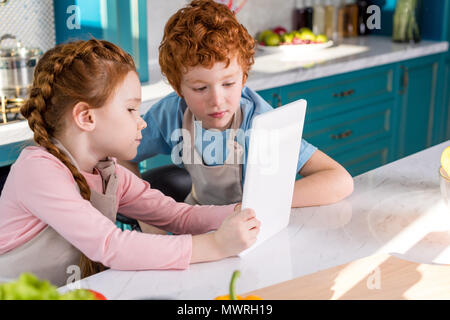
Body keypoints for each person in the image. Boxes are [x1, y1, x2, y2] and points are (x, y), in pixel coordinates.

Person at [0, 39, 260, 287]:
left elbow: (176, 215)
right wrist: (215, 245)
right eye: (130, 109)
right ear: (86, 117)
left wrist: (241, 212)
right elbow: (111, 245)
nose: (142, 122)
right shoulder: (38, 170)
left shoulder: (107, 171)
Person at [121, 0, 354, 208]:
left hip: (252, 223)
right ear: (177, 87)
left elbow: (339, 180)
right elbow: (121, 154)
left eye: (229, 84)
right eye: (201, 88)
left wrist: (265, 202)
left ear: (244, 78)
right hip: (198, 220)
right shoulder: (170, 113)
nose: (217, 100)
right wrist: (144, 209)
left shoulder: (260, 122)